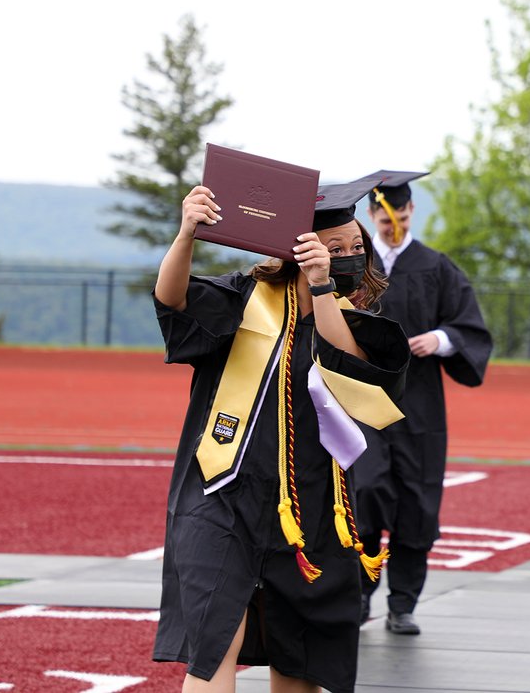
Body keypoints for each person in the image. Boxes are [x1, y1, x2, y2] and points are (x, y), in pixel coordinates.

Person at [151, 180, 411, 693]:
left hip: (313, 508)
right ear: (297, 249)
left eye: (354, 247)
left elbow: (350, 372)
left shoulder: (357, 325)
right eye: (332, 247)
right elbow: (173, 300)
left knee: (300, 665)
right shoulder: (243, 300)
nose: (346, 256)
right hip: (222, 496)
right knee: (212, 647)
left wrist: (323, 287)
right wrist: (185, 236)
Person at [346, 170, 493, 635]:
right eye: (386, 221)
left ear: (411, 211)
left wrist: (440, 339)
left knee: (417, 500)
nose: (395, 228)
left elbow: (468, 326)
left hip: (421, 405)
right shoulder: (358, 265)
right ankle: (359, 595)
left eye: (403, 218)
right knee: (366, 492)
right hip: (367, 400)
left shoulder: (436, 267)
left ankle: (403, 605)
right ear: (373, 215)